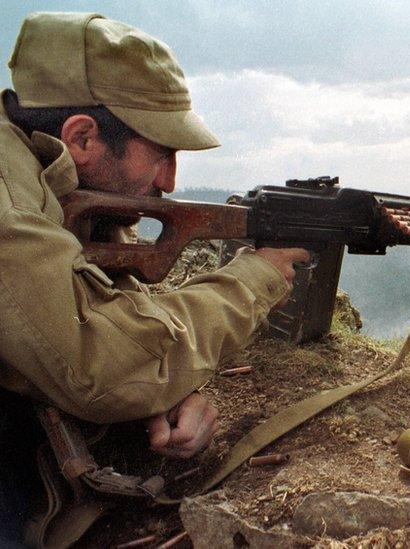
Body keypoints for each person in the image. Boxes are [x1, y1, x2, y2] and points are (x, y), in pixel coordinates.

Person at [0, 12, 310, 541]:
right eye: (162, 153)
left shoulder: (48, 175)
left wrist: (166, 392)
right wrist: (254, 278)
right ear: (83, 136)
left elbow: (112, 315)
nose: (169, 180)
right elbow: (92, 367)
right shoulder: (9, 207)